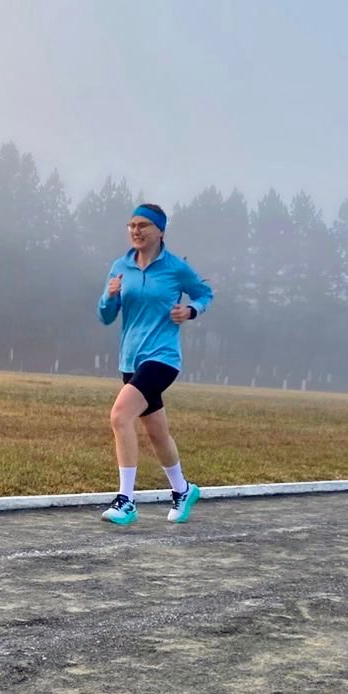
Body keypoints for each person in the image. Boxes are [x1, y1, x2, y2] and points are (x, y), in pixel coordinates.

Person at [97, 203, 214, 526]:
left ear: (160, 231)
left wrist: (191, 311)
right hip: (130, 359)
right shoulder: (120, 266)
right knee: (157, 433)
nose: (136, 231)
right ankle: (183, 489)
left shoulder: (175, 268)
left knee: (120, 416)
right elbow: (106, 316)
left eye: (144, 225)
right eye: (132, 225)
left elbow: (205, 293)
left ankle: (126, 501)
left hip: (162, 357)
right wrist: (110, 296)